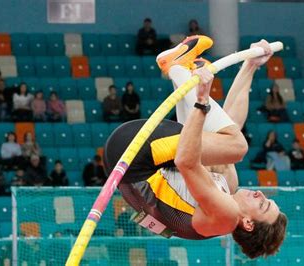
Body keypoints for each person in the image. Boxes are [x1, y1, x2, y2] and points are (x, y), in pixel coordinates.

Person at [105, 36, 286, 259]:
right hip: (138, 154)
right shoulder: (227, 188)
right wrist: (250, 65)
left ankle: (178, 68)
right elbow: (229, 124)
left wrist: (202, 100)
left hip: (135, 160)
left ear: (248, 223)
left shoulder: (226, 217)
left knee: (237, 147)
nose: (261, 194)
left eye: (264, 205)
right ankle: (180, 69)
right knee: (228, 145)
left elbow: (186, 161)